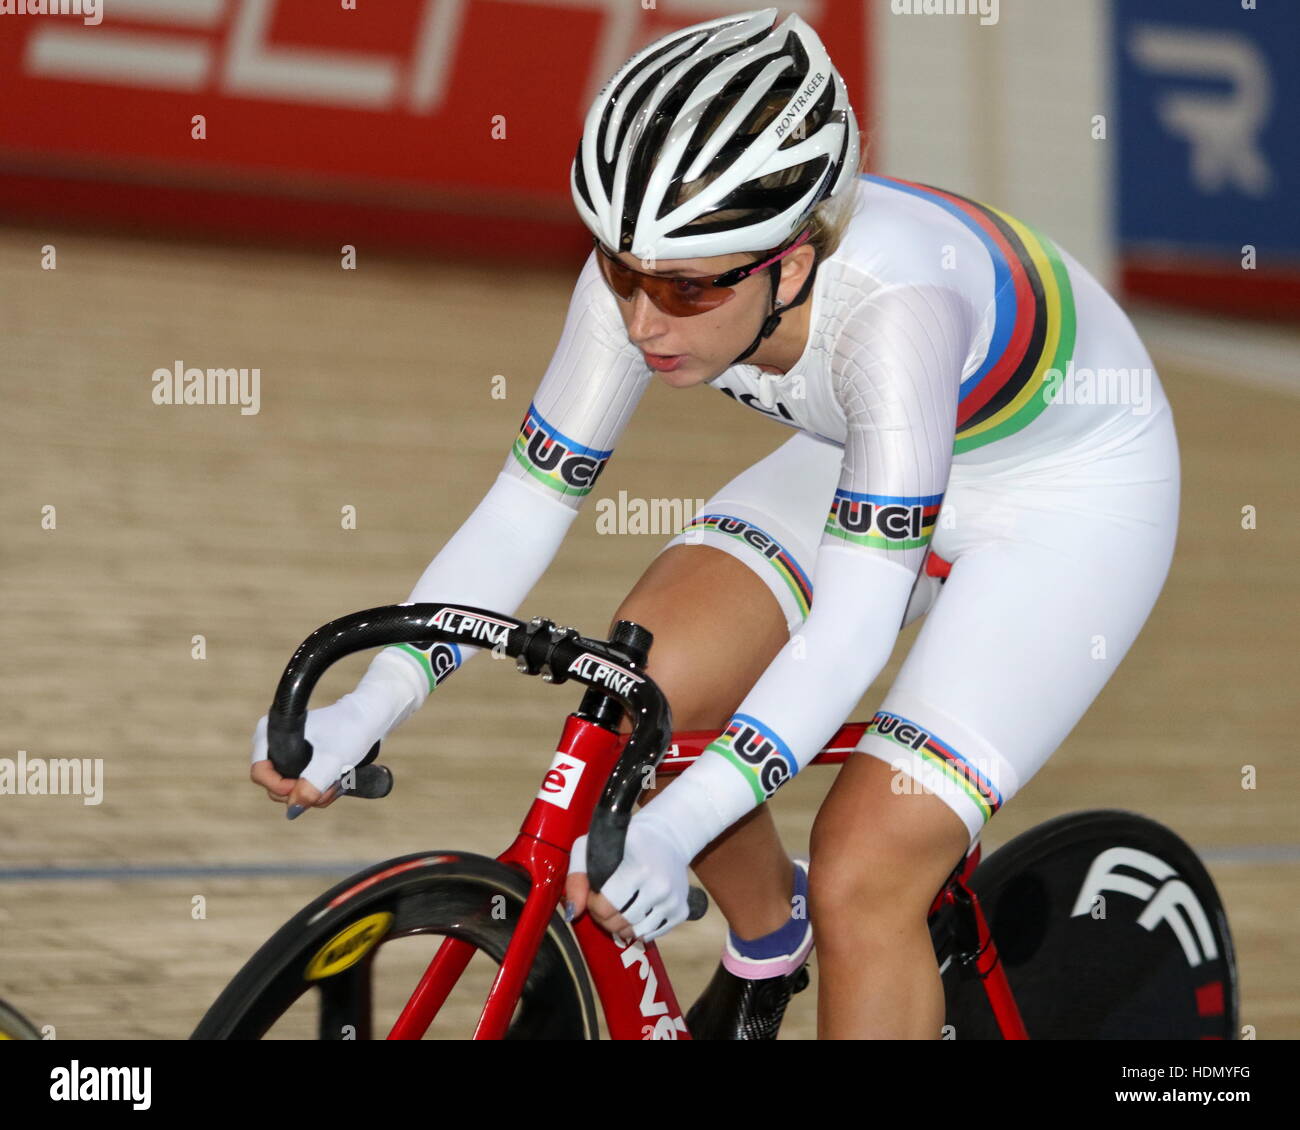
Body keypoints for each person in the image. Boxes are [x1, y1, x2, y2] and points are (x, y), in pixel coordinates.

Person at [249, 7, 1180, 1040]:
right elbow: (525, 504)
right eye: (619, 269)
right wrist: (377, 698)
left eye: (687, 288)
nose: (642, 318)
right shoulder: (657, 270)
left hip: (1062, 498)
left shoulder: (894, 315)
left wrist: (682, 823)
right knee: (638, 687)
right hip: (866, 448)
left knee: (864, 870)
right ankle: (763, 931)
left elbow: (850, 631)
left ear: (789, 263)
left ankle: (822, 909)